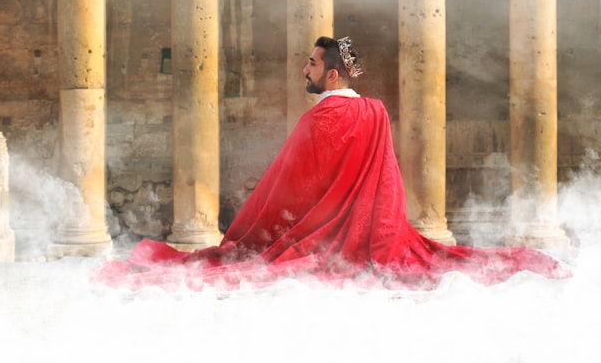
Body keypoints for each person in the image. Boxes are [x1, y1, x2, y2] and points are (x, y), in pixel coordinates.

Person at [94, 36, 569, 290]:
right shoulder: (375, 111)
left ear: (333, 72)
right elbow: (388, 187)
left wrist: (244, 233)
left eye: (312, 64)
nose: (305, 69)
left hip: (323, 243)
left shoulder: (322, 119)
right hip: (375, 240)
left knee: (233, 260)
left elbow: (285, 190)